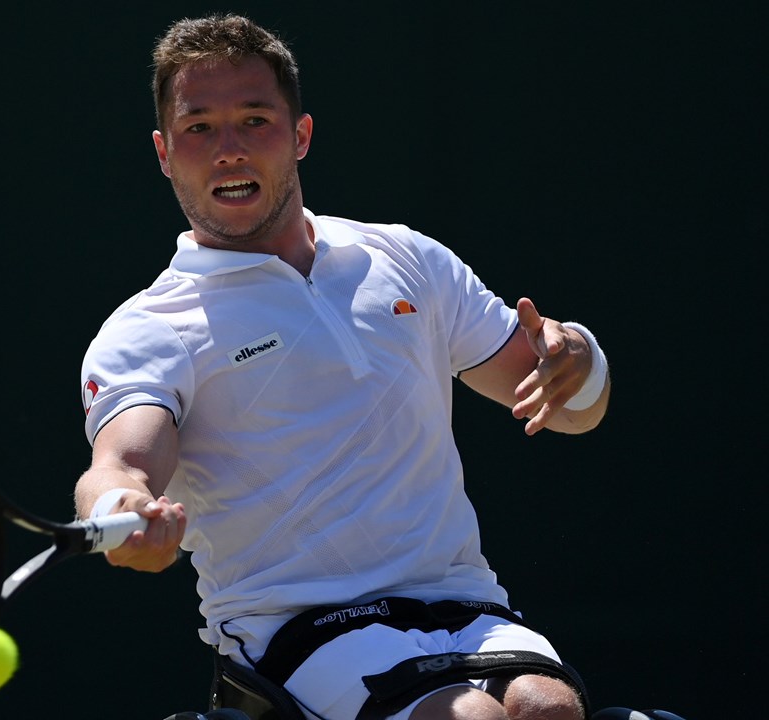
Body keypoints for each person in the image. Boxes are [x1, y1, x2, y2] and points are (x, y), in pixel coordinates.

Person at [73, 13, 610, 720]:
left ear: (300, 136)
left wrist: (580, 360)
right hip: (296, 631)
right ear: (165, 152)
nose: (228, 150)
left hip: (465, 602)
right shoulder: (150, 328)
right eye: (199, 128)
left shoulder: (406, 259)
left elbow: (571, 410)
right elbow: (120, 466)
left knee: (548, 708)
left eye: (255, 120)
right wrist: (123, 514)